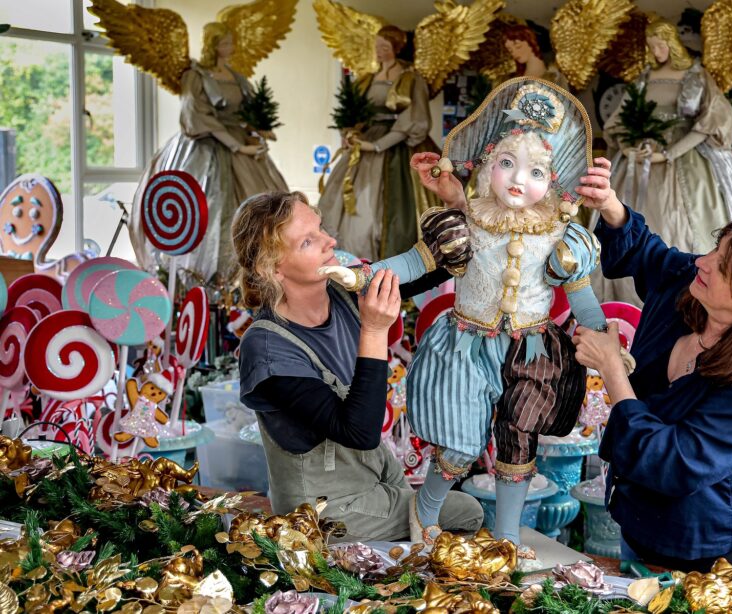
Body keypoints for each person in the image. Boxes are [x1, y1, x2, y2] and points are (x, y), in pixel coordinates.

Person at [322, 79, 614, 559]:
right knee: (457, 447)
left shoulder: (563, 235)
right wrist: (364, 276)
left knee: (518, 445)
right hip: (466, 346)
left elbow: (582, 297)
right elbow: (415, 264)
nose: (518, 180)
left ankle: (507, 538)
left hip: (532, 351)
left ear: (555, 183)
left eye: (536, 171)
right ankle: (427, 511)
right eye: (506, 164)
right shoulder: (466, 221)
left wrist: (605, 340)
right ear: (485, 166)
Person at [572, 161, 732, 573]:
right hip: (641, 519)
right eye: (716, 248)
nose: (702, 262)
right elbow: (649, 255)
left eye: (720, 265)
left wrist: (612, 369)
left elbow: (674, 462)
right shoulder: (692, 287)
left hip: (717, 546)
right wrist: (611, 206)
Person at [233, 190, 483, 541]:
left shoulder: (343, 289)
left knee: (436, 504)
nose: (330, 241)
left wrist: (458, 206)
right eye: (308, 241)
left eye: (321, 228)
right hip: (323, 510)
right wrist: (375, 329)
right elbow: (359, 433)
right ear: (272, 267)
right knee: (468, 511)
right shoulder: (268, 348)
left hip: (375, 471)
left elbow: (430, 267)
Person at [594, 18, 732, 306]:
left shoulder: (696, 77)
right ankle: (627, 300)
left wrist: (669, 154)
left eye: (660, 45)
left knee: (684, 226)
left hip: (687, 162)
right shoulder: (644, 78)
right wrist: (630, 147)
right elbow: (620, 121)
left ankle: (693, 294)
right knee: (624, 215)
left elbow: (710, 122)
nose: (656, 51)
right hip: (640, 163)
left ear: (671, 43)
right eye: (651, 47)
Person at [129, 22, 288, 284]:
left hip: (241, 148)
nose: (230, 48)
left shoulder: (235, 76)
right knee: (206, 205)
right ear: (212, 46)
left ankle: (257, 277)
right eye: (224, 43)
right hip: (205, 147)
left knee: (262, 205)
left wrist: (258, 130)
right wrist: (236, 146)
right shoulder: (195, 76)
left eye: (231, 42)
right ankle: (200, 280)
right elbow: (196, 117)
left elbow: (245, 111)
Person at [318, 25, 439, 261]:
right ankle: (348, 262)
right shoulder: (366, 79)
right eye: (377, 47)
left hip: (396, 146)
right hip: (364, 144)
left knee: (382, 210)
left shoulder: (410, 79)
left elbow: (414, 118)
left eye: (385, 47)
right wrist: (350, 133)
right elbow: (352, 111)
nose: (379, 52)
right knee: (346, 206)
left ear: (396, 48)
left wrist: (377, 145)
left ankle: (387, 265)